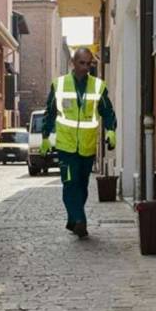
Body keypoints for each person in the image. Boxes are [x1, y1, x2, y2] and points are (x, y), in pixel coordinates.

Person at [40, 48, 117, 239]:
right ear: (73, 63)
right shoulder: (59, 85)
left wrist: (111, 130)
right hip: (66, 147)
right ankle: (80, 220)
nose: (86, 67)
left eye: (89, 63)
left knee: (82, 186)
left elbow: (107, 111)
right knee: (70, 183)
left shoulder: (98, 86)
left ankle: (73, 220)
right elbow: (49, 112)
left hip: (87, 146)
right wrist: (45, 137)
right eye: (82, 63)